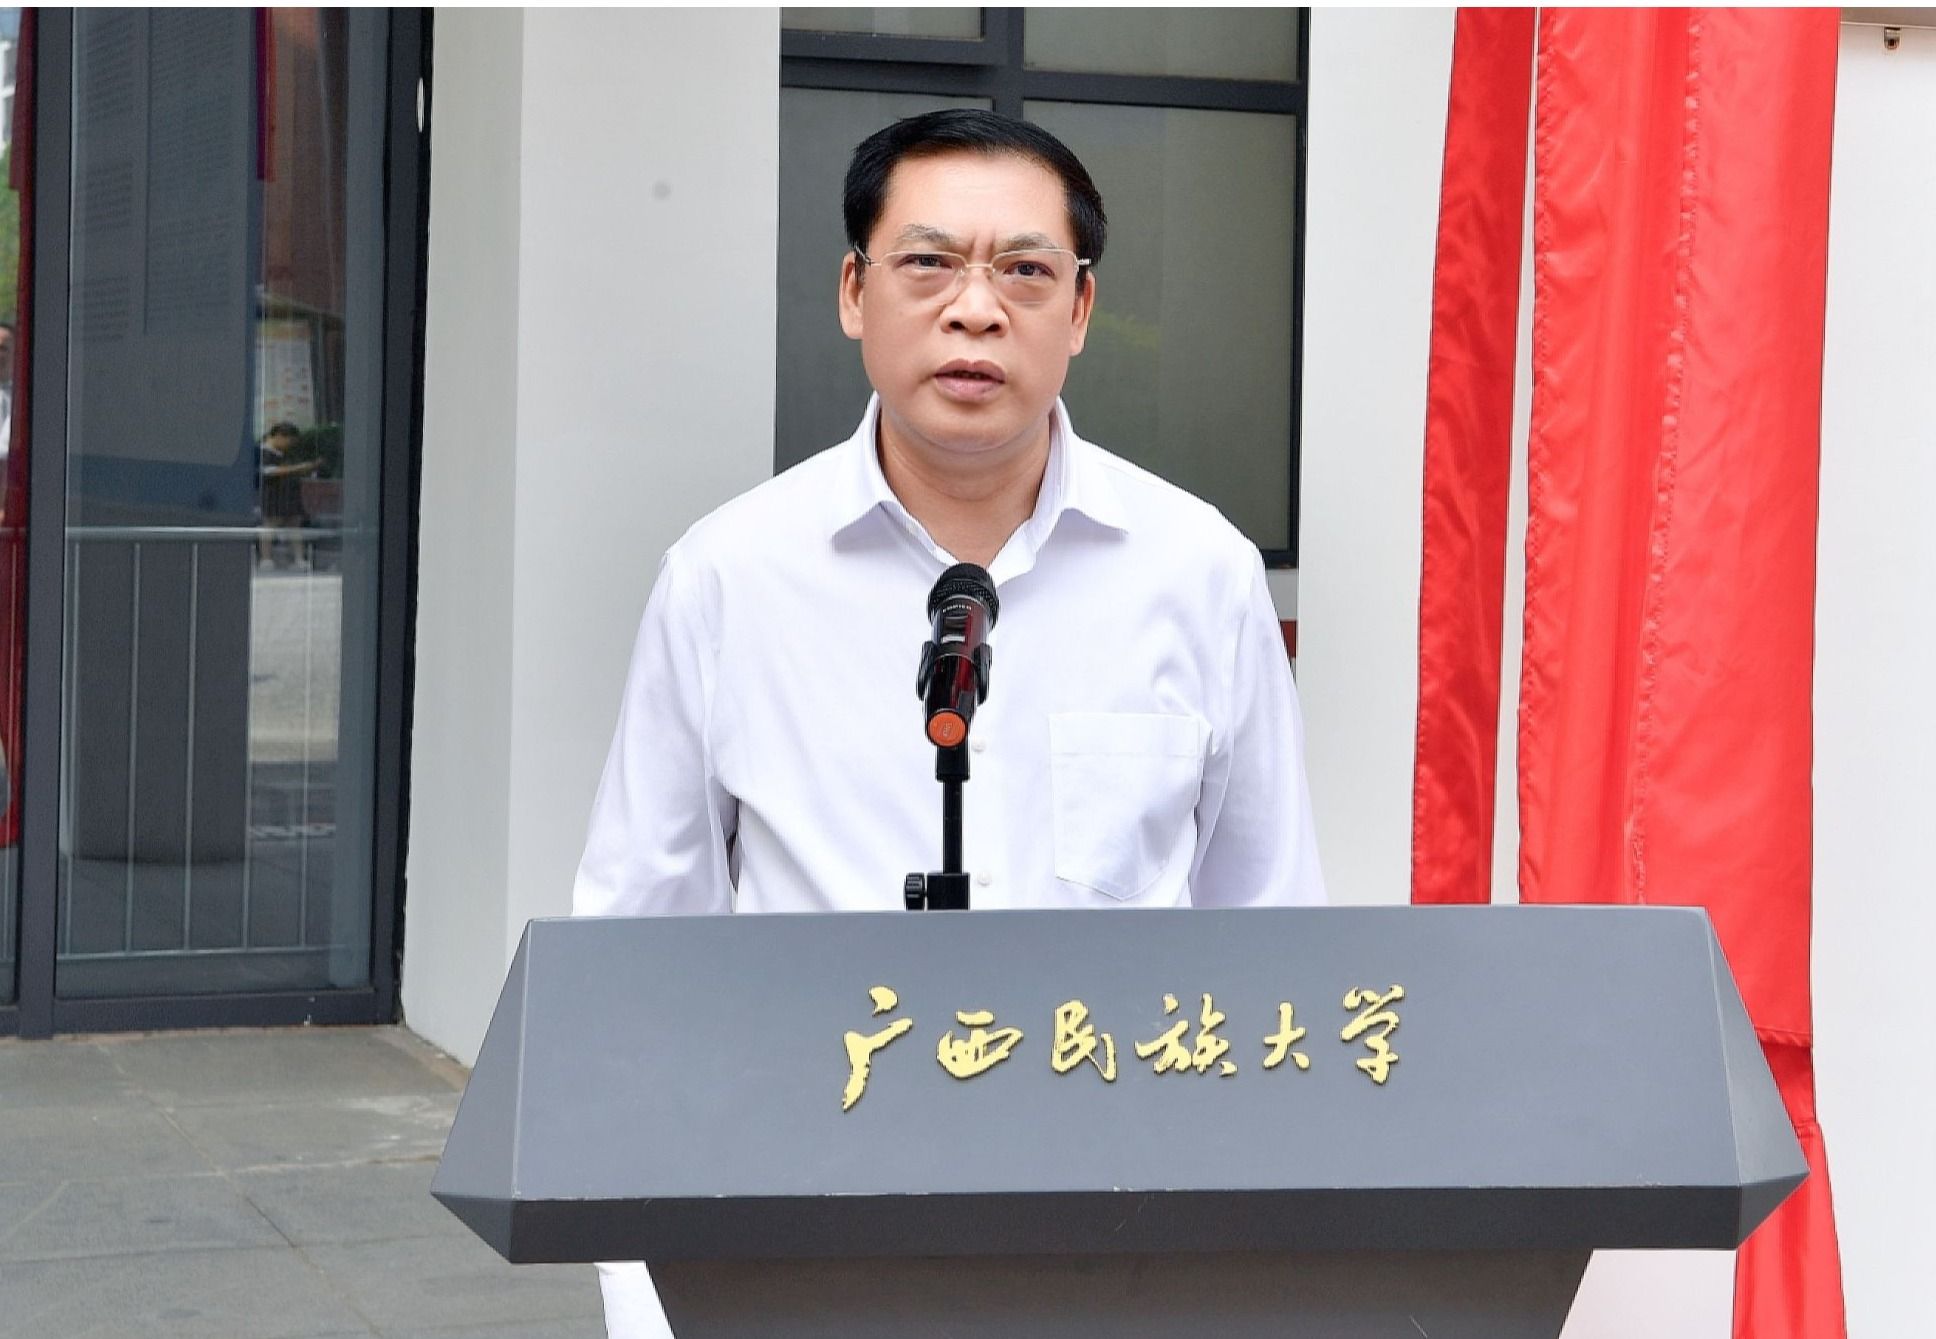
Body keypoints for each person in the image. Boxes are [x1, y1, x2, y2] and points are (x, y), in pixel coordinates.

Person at [571, 109, 1325, 1338]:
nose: (975, 310)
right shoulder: (729, 577)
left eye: (1024, 270)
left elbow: (1272, 938)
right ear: (853, 292)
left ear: (1079, 310)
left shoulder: (1199, 573)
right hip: (800, 1223)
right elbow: (634, 951)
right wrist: (654, 1293)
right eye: (927, 263)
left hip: (1122, 1236)